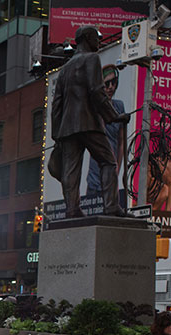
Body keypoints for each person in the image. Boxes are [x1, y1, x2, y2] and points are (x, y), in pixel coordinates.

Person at [49, 25, 130, 218]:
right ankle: (111, 206)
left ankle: (71, 210)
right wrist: (114, 117)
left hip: (67, 129)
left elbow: (56, 104)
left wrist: (57, 134)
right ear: (86, 38)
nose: (99, 41)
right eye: (96, 37)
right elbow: (97, 92)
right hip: (88, 122)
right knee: (108, 162)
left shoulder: (65, 69)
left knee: (70, 171)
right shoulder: (92, 59)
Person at [85, 65, 127, 199]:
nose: (111, 87)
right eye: (107, 83)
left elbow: (121, 142)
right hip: (95, 173)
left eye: (114, 83)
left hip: (111, 171)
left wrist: (118, 168)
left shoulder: (119, 106)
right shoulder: (93, 106)